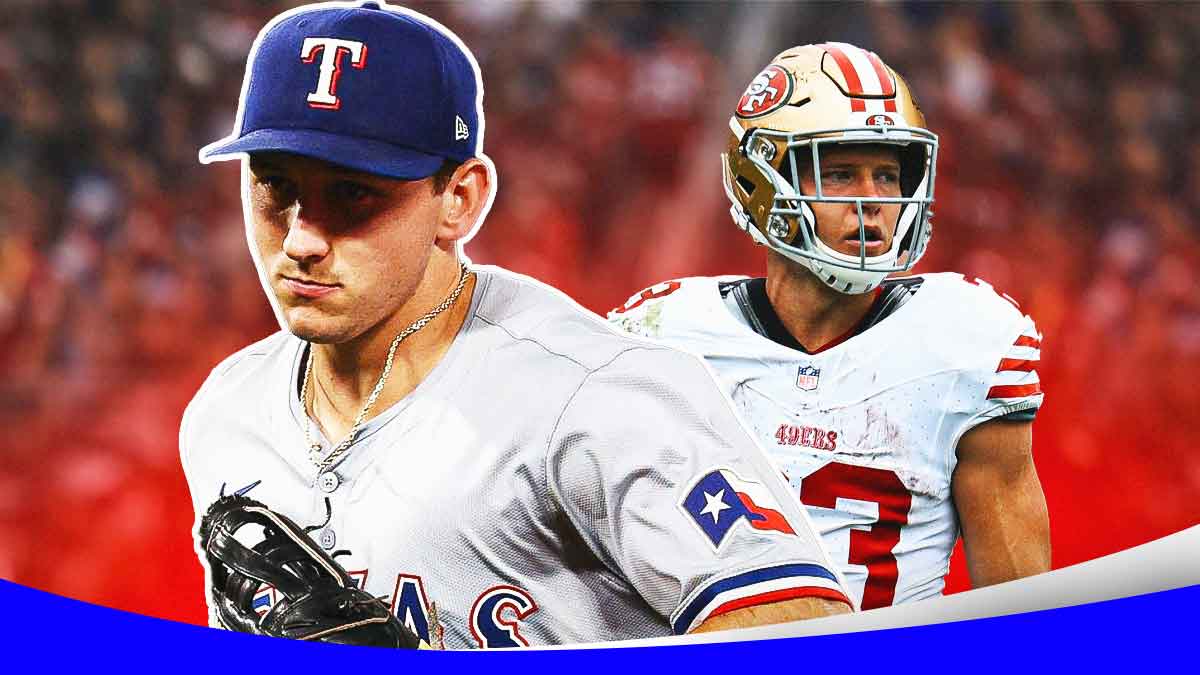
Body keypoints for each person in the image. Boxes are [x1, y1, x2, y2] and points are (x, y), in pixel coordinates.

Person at [181, 1, 852, 649]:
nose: (300, 238)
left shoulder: (587, 394)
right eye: (275, 185)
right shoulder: (225, 411)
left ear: (459, 201)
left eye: (352, 194)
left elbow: (804, 630)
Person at [609, 43, 1051, 610]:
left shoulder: (964, 345)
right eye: (840, 174)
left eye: (887, 176)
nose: (871, 202)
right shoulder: (661, 335)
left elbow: (1021, 610)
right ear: (759, 181)